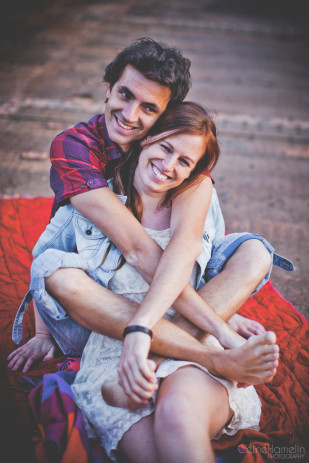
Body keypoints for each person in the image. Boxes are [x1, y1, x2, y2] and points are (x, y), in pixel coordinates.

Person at [9, 39, 293, 400]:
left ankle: (161, 352)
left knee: (256, 252)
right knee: (58, 272)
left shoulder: (174, 153)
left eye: (148, 107)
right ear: (108, 88)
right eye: (124, 94)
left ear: (165, 115)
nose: (130, 114)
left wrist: (210, 310)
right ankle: (206, 353)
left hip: (164, 290)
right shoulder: (74, 147)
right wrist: (215, 322)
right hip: (104, 297)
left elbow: (189, 242)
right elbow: (137, 250)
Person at [52, 102, 278, 463]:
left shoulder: (193, 195)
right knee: (58, 276)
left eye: (185, 162)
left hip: (182, 331)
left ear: (195, 171)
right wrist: (41, 335)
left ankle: (197, 360)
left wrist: (221, 321)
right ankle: (202, 356)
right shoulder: (94, 195)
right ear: (148, 138)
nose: (170, 166)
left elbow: (192, 258)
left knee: (177, 419)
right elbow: (48, 262)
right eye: (166, 148)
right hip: (116, 344)